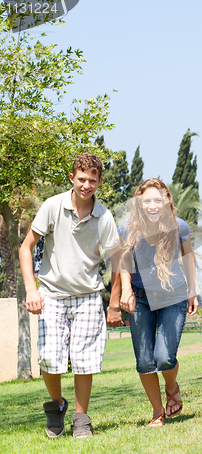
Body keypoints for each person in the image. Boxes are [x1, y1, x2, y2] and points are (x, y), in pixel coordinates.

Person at [19, 153, 120, 438]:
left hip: (88, 295)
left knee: (84, 359)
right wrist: (31, 289)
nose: (86, 185)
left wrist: (114, 301)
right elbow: (26, 248)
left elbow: (118, 258)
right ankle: (56, 406)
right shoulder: (53, 206)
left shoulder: (104, 216)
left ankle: (80, 418)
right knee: (50, 359)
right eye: (81, 179)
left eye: (92, 180)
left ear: (99, 181)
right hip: (51, 293)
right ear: (72, 178)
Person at [107, 178, 198, 427]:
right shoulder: (127, 228)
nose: (152, 205)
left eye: (157, 200)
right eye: (147, 201)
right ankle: (158, 412)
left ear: (167, 201)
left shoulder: (180, 227)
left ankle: (171, 386)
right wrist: (126, 290)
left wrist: (193, 291)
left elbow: (188, 256)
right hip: (140, 297)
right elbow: (122, 261)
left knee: (165, 358)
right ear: (139, 203)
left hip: (173, 295)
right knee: (145, 360)